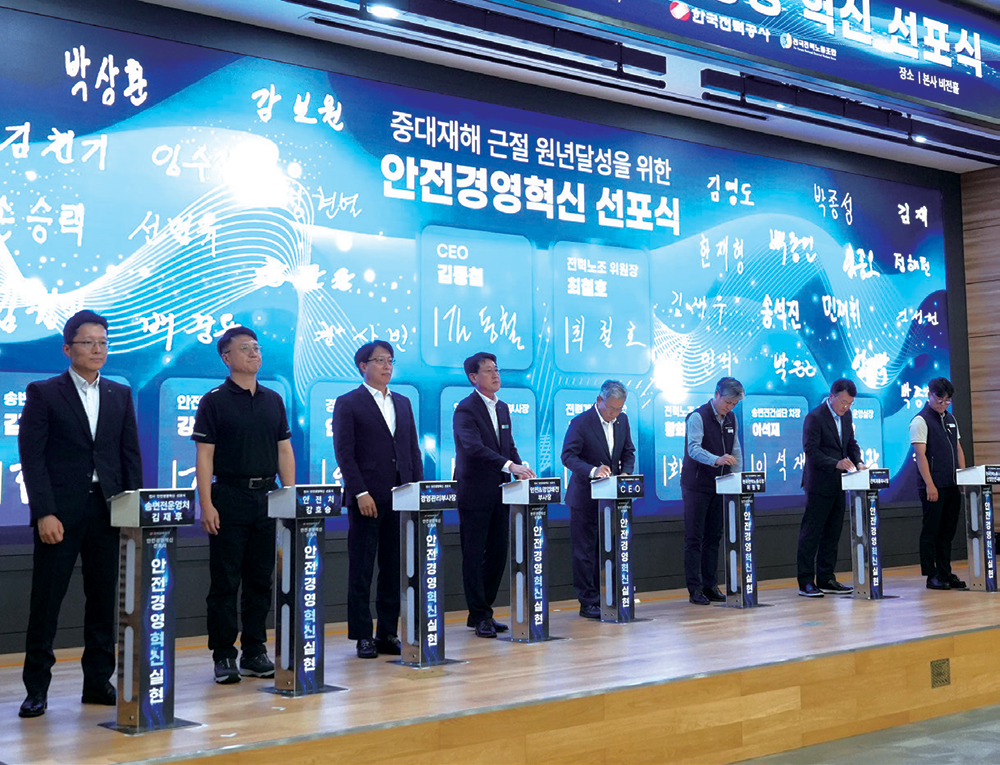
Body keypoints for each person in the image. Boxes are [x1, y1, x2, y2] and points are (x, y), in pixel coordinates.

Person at [17, 310, 142, 718]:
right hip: (61, 513)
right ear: (68, 348)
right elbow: (32, 458)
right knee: (47, 602)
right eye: (89, 342)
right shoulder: (44, 393)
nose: (97, 349)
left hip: (107, 510)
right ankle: (37, 689)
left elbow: (129, 457)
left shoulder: (119, 394)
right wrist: (44, 512)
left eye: (103, 343)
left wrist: (132, 508)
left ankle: (97, 682)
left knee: (104, 600)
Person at [192, 326, 295, 683]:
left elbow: (284, 450)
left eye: (256, 347)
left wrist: (289, 496)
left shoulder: (273, 399)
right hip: (229, 497)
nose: (254, 353)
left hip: (267, 497)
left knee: (260, 581)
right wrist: (206, 504)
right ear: (226, 357)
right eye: (245, 348)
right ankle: (223, 654)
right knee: (225, 582)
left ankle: (254, 651)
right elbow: (204, 456)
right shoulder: (214, 400)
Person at [332, 340, 423, 658]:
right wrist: (359, 492)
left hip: (400, 496)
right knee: (361, 569)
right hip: (366, 498)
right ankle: (362, 635)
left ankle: (387, 632)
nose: (387, 366)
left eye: (390, 360)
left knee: (393, 568)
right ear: (363, 366)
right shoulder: (348, 402)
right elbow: (344, 453)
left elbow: (412, 450)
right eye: (380, 360)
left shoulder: (403, 402)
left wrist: (416, 489)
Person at [453, 352, 535, 638]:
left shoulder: (502, 408)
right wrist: (509, 465)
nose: (495, 374)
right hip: (474, 491)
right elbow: (474, 448)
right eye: (488, 370)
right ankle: (479, 615)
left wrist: (521, 469)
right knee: (474, 555)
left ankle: (482, 611)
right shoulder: (465, 410)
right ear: (473, 377)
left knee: (498, 553)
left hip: (501, 492)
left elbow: (507, 446)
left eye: (496, 369)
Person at [561, 380, 636, 618]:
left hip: (611, 499)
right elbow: (568, 456)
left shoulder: (623, 421)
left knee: (607, 549)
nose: (615, 414)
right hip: (584, 498)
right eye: (611, 408)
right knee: (585, 553)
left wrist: (626, 474)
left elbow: (628, 452)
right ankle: (588, 602)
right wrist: (593, 471)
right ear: (599, 400)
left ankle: (608, 597)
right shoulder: (581, 422)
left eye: (619, 409)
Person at [797, 378, 865, 598]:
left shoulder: (847, 416)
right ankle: (806, 582)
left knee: (833, 533)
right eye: (843, 402)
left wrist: (859, 462)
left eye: (850, 403)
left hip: (840, 483)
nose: (846, 407)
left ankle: (826, 578)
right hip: (819, 483)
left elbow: (851, 443)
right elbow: (811, 451)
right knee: (811, 533)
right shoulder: (815, 417)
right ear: (832, 396)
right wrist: (835, 463)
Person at [681, 377, 744, 605]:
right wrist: (716, 460)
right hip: (696, 485)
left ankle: (710, 585)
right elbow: (693, 449)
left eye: (734, 404)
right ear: (717, 394)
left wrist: (737, 478)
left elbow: (735, 449)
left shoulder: (731, 418)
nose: (730, 407)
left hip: (721, 485)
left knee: (714, 537)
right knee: (694, 538)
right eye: (727, 402)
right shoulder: (698, 417)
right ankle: (695, 589)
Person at [911, 377, 967, 590]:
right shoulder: (920, 421)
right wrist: (930, 484)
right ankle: (931, 575)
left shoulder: (951, 419)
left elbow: (958, 448)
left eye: (947, 400)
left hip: (952, 485)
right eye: (939, 400)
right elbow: (921, 455)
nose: (943, 404)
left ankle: (945, 572)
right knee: (931, 531)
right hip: (933, 486)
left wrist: (964, 477)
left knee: (947, 532)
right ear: (929, 395)